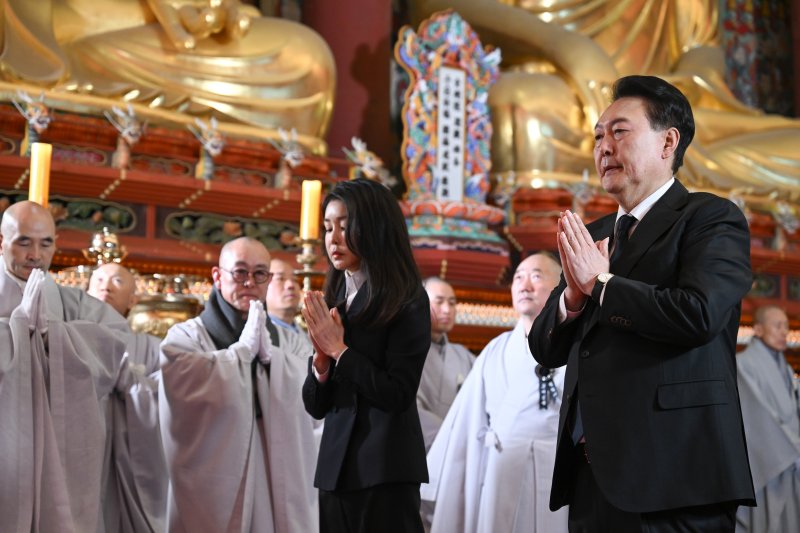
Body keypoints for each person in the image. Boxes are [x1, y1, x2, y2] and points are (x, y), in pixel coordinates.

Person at [530, 75, 755, 531]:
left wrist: (600, 284)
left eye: (619, 131)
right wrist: (572, 296)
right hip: (593, 476)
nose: (603, 147)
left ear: (668, 141)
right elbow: (545, 349)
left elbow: (698, 314)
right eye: (597, 136)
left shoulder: (711, 218)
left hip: (675, 476)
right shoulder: (592, 234)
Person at [159, 236, 317, 532]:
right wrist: (241, 355)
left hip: (274, 463)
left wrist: (274, 361)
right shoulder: (185, 337)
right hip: (215, 475)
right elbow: (180, 390)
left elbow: (311, 394)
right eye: (240, 272)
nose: (249, 282)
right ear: (218, 276)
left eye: (260, 274)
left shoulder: (291, 342)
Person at [301, 178, 431, 533]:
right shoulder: (335, 298)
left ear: (374, 226)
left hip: (385, 468)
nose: (333, 238)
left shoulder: (407, 299)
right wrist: (321, 365)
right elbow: (315, 405)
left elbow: (398, 392)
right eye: (328, 227)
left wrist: (339, 351)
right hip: (335, 469)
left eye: (345, 225)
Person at [0, 200, 129, 532]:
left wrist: (52, 335)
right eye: (23, 242)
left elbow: (117, 340)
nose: (35, 255)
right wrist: (17, 332)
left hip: (63, 443)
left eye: (46, 244)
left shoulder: (72, 303)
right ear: (2, 241)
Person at [422, 253, 568, 533]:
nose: (524, 285)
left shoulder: (576, 345)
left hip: (557, 470)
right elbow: (466, 423)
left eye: (536, 276)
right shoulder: (495, 351)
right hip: (500, 469)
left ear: (559, 285)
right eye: (518, 278)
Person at [88, 262, 168, 533]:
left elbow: (172, 397)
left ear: (133, 299)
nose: (105, 285)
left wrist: (134, 384)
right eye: (98, 279)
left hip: (134, 455)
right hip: (83, 447)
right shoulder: (67, 339)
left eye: (117, 281)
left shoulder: (152, 348)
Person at [736, 305, 800, 533]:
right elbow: (757, 414)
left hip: (791, 460)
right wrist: (795, 444)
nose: (784, 331)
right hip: (769, 459)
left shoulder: (784, 366)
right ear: (759, 329)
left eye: (786, 326)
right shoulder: (743, 364)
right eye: (778, 326)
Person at [417, 276, 475, 451]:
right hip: (420, 447)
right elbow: (409, 408)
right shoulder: (407, 352)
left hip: (461, 447)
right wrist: (449, 435)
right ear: (420, 304)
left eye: (452, 303)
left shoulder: (464, 356)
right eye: (439, 302)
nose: (447, 309)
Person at [266, 258, 303, 334]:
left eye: (294, 279)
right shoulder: (257, 334)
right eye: (280, 279)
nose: (291, 285)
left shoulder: (309, 335)